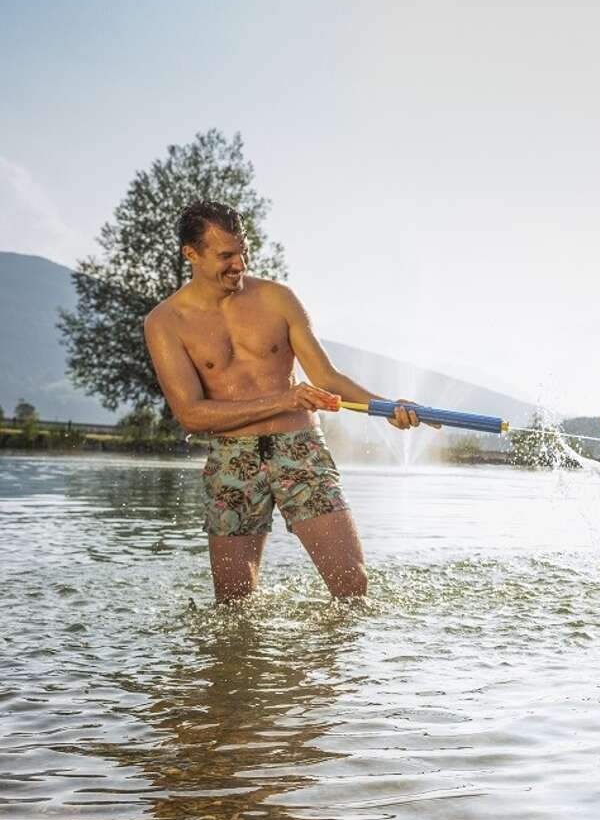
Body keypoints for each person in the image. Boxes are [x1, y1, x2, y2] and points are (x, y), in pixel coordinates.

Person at [144, 199, 425, 602]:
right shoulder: (164, 322)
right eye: (225, 255)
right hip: (232, 458)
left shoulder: (278, 299)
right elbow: (191, 414)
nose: (238, 264)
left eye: (243, 251)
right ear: (191, 254)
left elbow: (327, 378)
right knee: (233, 604)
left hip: (300, 449)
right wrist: (284, 399)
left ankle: (334, 664)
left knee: (353, 586)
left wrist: (387, 408)